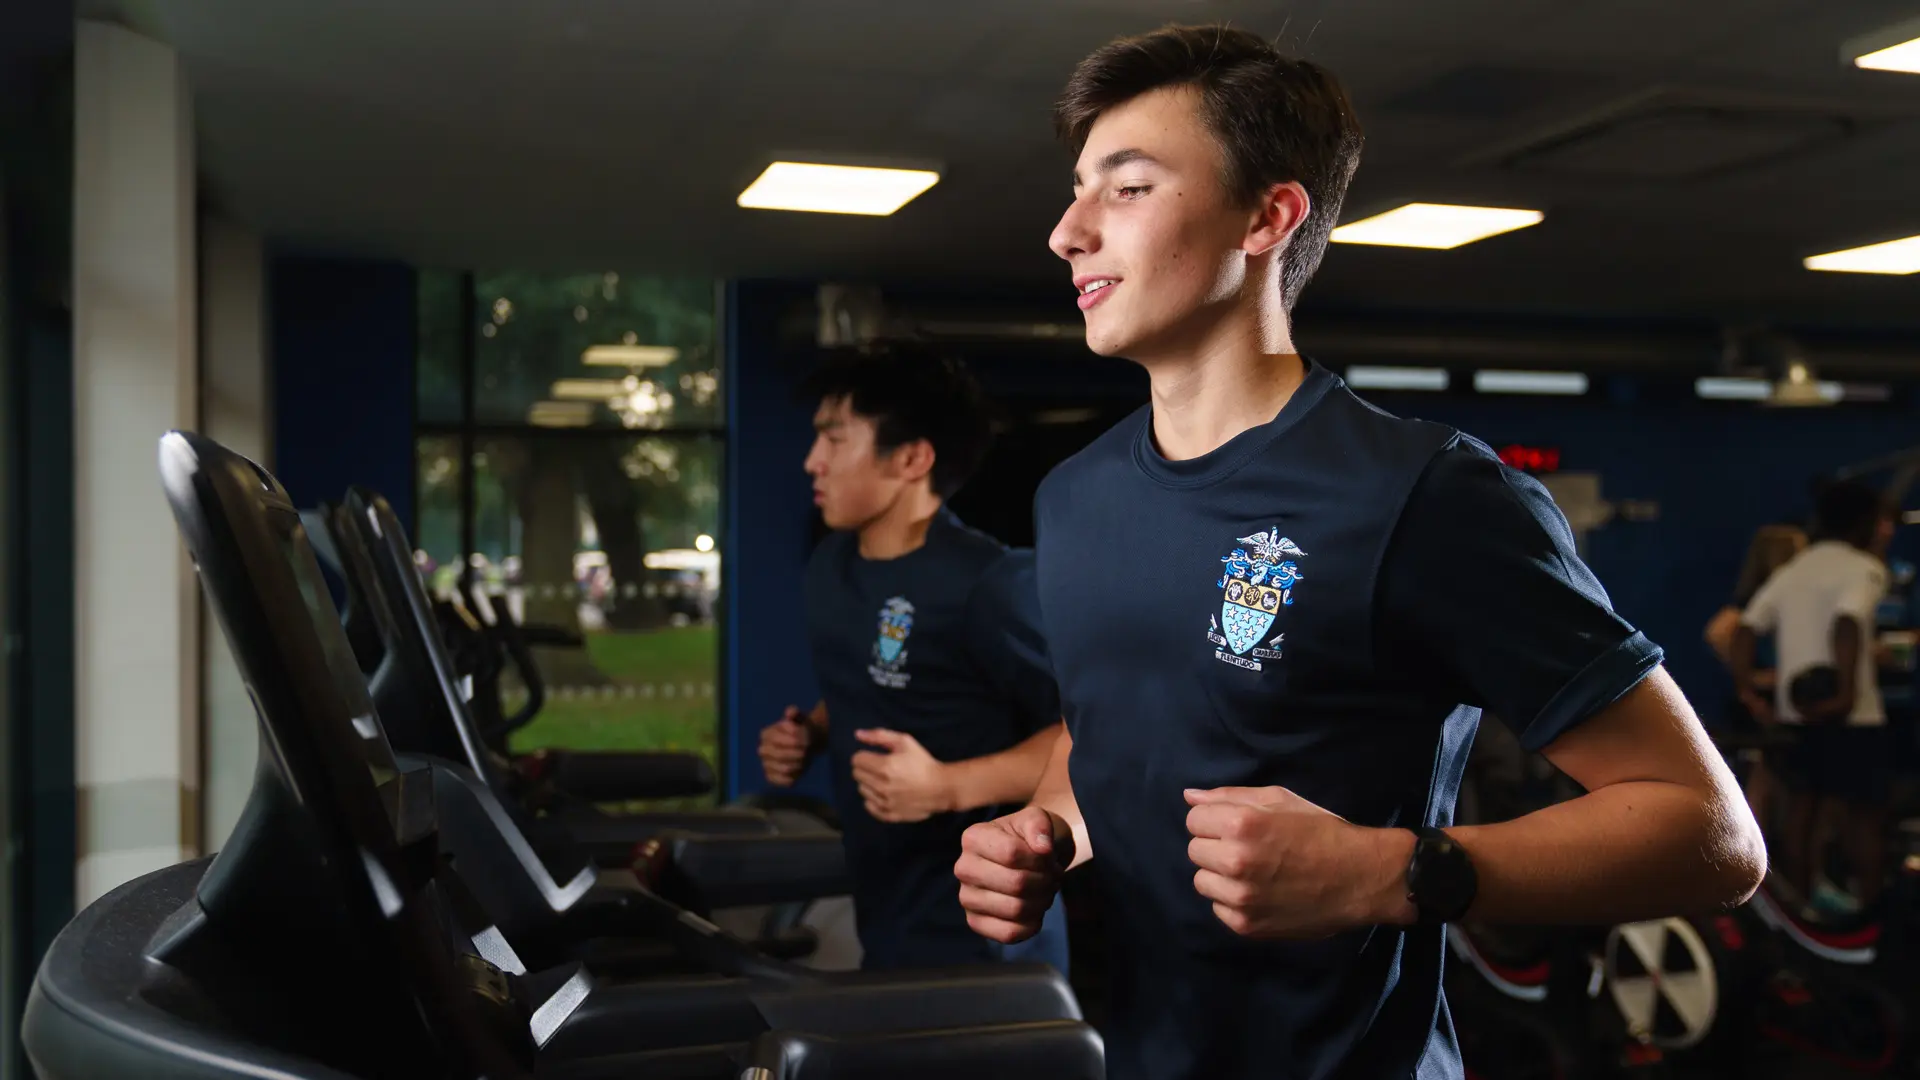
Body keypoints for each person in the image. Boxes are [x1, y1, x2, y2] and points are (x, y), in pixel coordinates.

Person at [951, 25, 1766, 1080]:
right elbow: (1112, 734)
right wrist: (1048, 831)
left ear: (1268, 216)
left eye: (1128, 188)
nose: (1067, 231)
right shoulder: (1072, 499)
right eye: (1075, 190)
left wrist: (1395, 872)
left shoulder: (1424, 494)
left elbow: (1711, 833)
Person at [759, 347, 1070, 973]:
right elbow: (878, 683)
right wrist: (814, 731)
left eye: (833, 439)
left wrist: (948, 787)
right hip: (884, 904)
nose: (810, 461)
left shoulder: (990, 582)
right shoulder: (831, 565)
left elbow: (1092, 731)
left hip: (985, 926)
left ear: (911, 458)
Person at [1732, 480, 1897, 913]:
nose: (1886, 530)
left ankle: (1803, 918)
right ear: (1863, 523)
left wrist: (1747, 689)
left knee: (1800, 820)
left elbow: (1745, 629)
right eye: (1881, 522)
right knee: (1863, 821)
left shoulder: (1795, 569)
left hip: (1795, 719)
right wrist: (1844, 694)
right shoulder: (1864, 568)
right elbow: (1847, 619)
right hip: (1853, 720)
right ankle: (1870, 926)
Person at [1705, 524, 1807, 841]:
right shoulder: (1756, 604)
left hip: (1769, 700)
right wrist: (1753, 680)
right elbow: (1717, 633)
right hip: (1761, 704)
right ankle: (1751, 851)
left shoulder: (1769, 602)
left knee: (1777, 784)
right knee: (1767, 781)